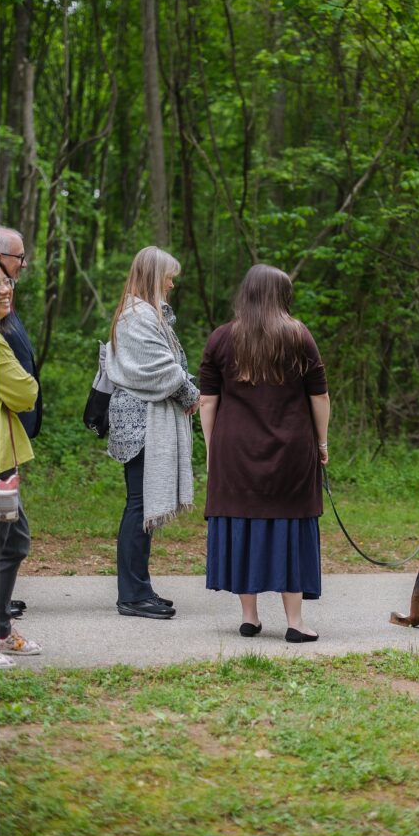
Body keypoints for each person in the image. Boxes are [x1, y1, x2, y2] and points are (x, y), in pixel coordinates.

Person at [199, 263, 330, 643]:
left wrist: (212, 449)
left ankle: (249, 617)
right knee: (290, 525)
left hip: (234, 448)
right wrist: (322, 442)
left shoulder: (221, 339)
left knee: (243, 521)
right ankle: (295, 622)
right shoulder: (298, 335)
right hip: (292, 448)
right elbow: (318, 396)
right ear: (280, 296)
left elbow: (208, 401)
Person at [105, 247, 201, 619]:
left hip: (146, 422)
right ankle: (131, 596)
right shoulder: (137, 316)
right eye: (168, 276)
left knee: (140, 506)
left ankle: (140, 588)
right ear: (153, 276)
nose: (172, 283)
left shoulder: (144, 313)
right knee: (138, 507)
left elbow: (166, 365)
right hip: (140, 425)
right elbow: (159, 369)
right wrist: (190, 393)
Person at [0, 225, 42, 622]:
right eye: (17, 258)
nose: (21, 267)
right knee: (9, 541)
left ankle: (1, 618)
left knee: (12, 538)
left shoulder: (6, 318)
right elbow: (23, 391)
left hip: (8, 448)